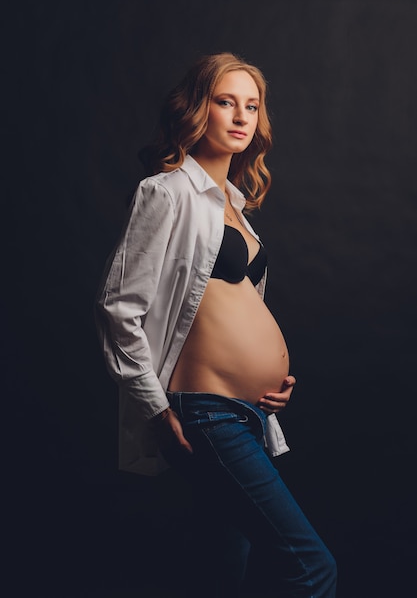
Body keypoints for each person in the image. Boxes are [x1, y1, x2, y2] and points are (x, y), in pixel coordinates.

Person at [95, 52, 337, 597]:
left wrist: (270, 380)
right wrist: (155, 410)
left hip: (250, 413)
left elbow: (232, 311)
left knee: (222, 575)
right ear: (196, 108)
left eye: (251, 106)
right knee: (311, 567)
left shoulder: (236, 207)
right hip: (206, 415)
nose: (240, 116)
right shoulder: (167, 192)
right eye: (225, 101)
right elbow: (117, 309)